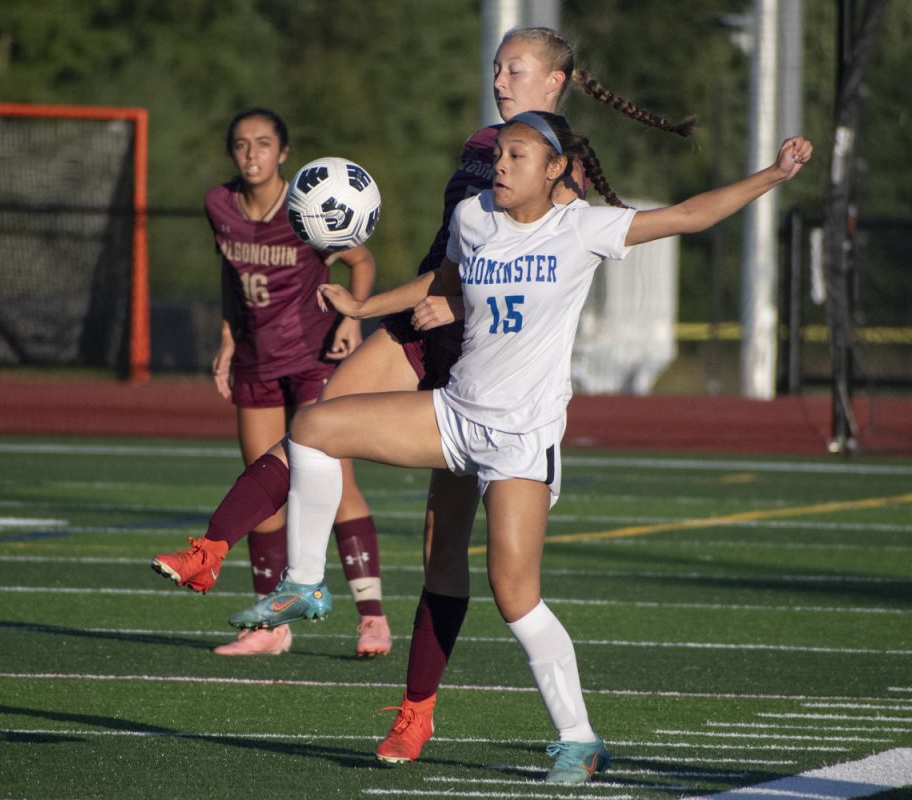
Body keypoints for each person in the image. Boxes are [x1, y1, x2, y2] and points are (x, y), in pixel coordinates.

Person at [225, 111, 813, 783]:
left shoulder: (583, 228)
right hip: (454, 415)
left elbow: (688, 215)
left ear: (555, 169)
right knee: (314, 427)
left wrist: (774, 173)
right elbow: (444, 280)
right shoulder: (475, 216)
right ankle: (305, 581)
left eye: (517, 155)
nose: (499, 164)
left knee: (515, 596)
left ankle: (578, 739)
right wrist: (366, 308)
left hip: (520, 441)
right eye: (500, 152)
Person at [149, 24, 693, 740]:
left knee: (443, 549)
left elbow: (530, 285)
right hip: (420, 326)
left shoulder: (561, 176)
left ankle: (416, 711)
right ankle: (220, 552)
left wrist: (458, 302)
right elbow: (449, 258)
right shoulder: (482, 146)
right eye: (497, 67)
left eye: (516, 70)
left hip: (479, 365)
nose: (500, 80)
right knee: (317, 419)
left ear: (555, 83)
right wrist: (373, 305)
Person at [151, 108, 391, 658]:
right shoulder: (219, 204)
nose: (252, 154)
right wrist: (229, 338)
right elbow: (230, 276)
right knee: (263, 492)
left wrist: (352, 319)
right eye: (241, 144)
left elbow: (362, 259)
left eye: (263, 144)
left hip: (312, 359)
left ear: (284, 153)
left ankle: (372, 617)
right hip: (257, 360)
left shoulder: (308, 208)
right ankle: (269, 628)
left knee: (339, 486)